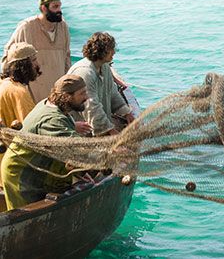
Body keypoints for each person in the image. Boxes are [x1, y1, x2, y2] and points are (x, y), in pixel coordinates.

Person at [1, 75, 88, 210]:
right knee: (26, 217)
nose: (86, 97)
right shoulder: (51, 119)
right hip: (21, 173)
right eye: (82, 93)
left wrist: (80, 172)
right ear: (66, 96)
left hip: (38, 169)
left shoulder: (54, 107)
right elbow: (76, 148)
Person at [1, 0, 71, 103]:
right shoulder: (27, 27)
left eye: (60, 6)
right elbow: (10, 55)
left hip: (57, 88)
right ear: (44, 8)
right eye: (55, 7)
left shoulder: (63, 27)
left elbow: (67, 56)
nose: (59, 10)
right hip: (34, 88)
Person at [68, 32, 134, 136]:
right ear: (101, 51)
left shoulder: (104, 67)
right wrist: (110, 130)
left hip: (96, 123)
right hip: (80, 127)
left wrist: (127, 113)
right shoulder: (85, 72)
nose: (114, 52)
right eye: (111, 49)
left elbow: (112, 92)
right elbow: (91, 106)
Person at [0, 42, 41, 186]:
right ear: (24, 65)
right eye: (34, 60)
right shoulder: (19, 93)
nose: (38, 64)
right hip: (15, 167)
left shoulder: (3, 84)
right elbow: (32, 131)